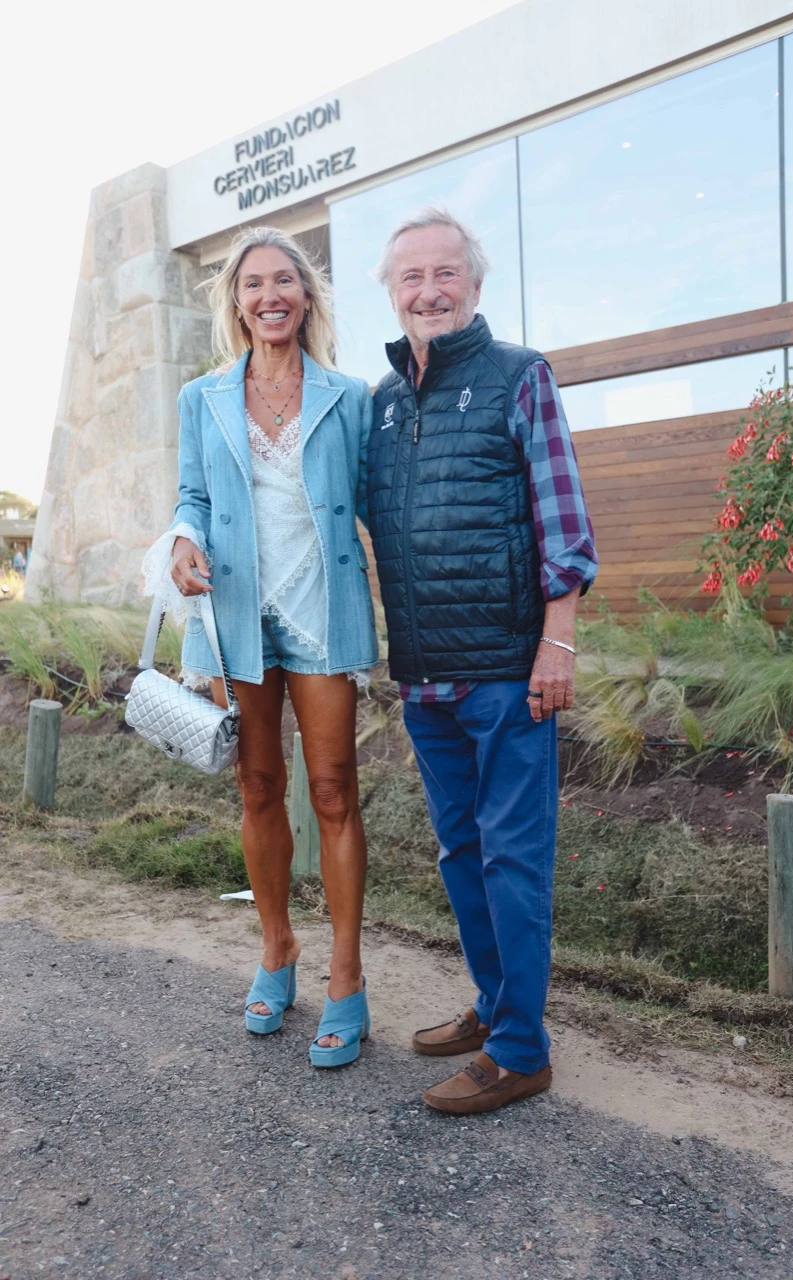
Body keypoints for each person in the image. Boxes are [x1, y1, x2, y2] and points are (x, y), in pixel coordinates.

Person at [364, 208, 597, 1114]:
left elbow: (563, 520)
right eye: (410, 277)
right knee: (461, 855)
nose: (428, 290)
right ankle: (500, 1007)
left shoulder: (519, 377)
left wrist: (557, 640)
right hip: (425, 676)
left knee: (512, 860)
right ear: (391, 291)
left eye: (444, 273)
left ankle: (520, 1052)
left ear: (474, 282)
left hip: (507, 672)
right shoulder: (382, 403)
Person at [143, 227, 377, 1067]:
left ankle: (346, 978)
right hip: (235, 613)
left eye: (285, 281)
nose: (269, 295)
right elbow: (192, 496)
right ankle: (277, 948)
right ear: (235, 302)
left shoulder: (349, 396)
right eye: (253, 284)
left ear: (306, 295)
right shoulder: (201, 397)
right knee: (256, 783)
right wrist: (180, 540)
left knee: (333, 788)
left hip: (322, 609)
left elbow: (375, 503)